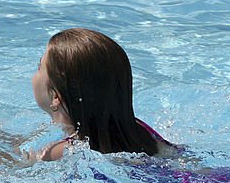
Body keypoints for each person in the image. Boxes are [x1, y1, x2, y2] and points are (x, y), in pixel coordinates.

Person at [31, 27, 174, 161]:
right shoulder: (138, 129)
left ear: (56, 97)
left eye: (39, 66)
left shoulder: (61, 151)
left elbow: (20, 163)